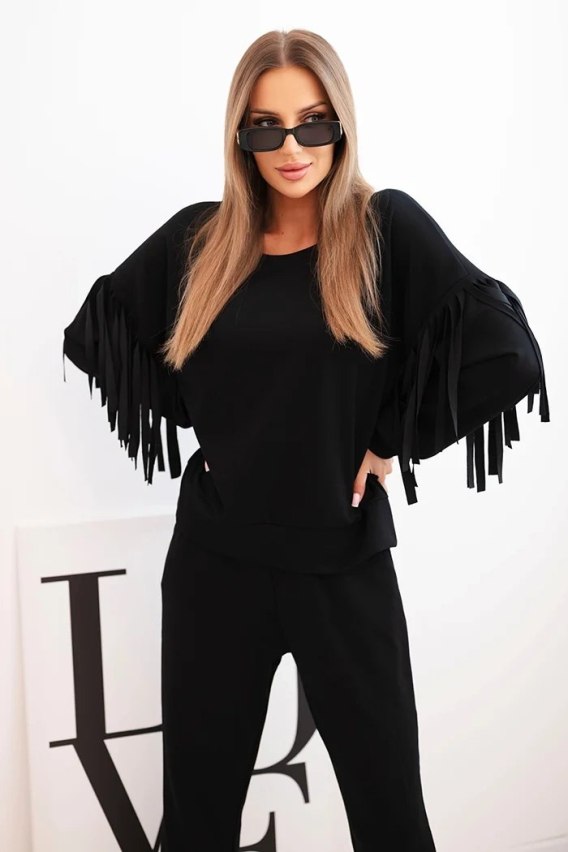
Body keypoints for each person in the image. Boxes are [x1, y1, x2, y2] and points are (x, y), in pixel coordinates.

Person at [62, 28, 550, 852]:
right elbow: (96, 333)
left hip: (342, 569)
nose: (291, 148)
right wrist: (209, 415)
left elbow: (507, 353)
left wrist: (390, 437)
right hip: (216, 570)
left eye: (312, 123)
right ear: (240, 137)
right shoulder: (199, 242)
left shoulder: (385, 229)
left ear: (341, 125)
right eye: (266, 128)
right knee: (197, 826)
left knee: (392, 822)